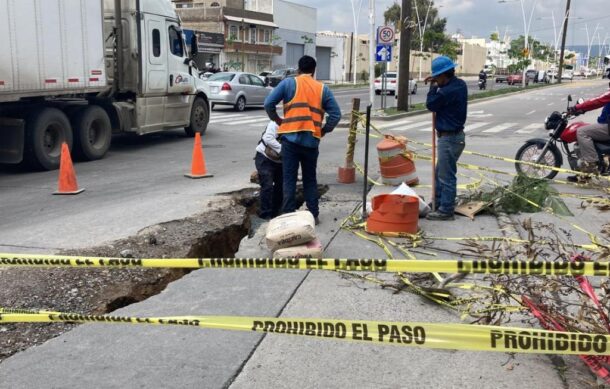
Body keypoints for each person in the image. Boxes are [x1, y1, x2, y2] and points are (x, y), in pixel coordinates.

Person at [264, 55, 341, 225]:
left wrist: (278, 120)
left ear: (298, 69)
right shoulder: (322, 89)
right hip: (311, 142)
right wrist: (323, 130)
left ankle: (289, 216)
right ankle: (313, 214)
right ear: (314, 71)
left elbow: (268, 103)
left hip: (290, 141)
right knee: (310, 180)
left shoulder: (288, 83)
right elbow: (336, 115)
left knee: (289, 179)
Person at [424, 56, 468, 221]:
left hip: (449, 138)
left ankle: (446, 210)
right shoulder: (460, 84)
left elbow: (431, 105)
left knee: (446, 175)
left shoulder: (447, 91)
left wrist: (432, 87)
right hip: (454, 137)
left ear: (444, 75)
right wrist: (436, 83)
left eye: (437, 77)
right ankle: (437, 203)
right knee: (440, 173)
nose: (436, 80)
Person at [568, 85, 610, 181]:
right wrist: (583, 109)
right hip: (606, 124)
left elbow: (597, 100)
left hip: (607, 126)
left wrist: (576, 107)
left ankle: (590, 163)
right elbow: (597, 103)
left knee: (582, 131)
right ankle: (585, 173)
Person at [255, 121, 283, 220]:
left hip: (280, 161)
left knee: (281, 186)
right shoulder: (276, 123)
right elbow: (269, 138)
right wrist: (284, 150)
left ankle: (276, 213)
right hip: (264, 157)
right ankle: (265, 215)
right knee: (267, 186)